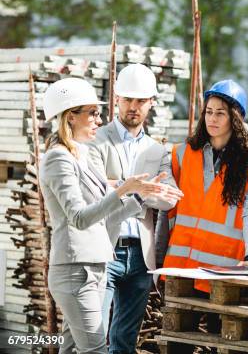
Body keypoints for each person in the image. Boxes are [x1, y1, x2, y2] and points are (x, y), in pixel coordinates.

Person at [39, 78, 180, 354]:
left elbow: (104, 211)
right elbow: (79, 217)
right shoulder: (58, 158)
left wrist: (138, 195)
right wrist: (122, 189)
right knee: (96, 350)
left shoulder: (78, 156)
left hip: (91, 268)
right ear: (71, 117)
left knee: (70, 350)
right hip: (75, 270)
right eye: (92, 112)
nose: (99, 119)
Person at [88, 64, 181, 354]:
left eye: (140, 100)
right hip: (105, 247)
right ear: (116, 99)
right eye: (128, 99)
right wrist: (136, 188)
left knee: (125, 340)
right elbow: (90, 190)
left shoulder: (157, 150)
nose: (133, 106)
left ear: (151, 102)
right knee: (94, 335)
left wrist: (127, 188)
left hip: (141, 256)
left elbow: (169, 199)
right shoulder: (96, 140)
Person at [163, 79, 248, 293]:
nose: (212, 118)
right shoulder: (181, 154)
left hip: (223, 270)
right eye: (208, 112)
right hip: (180, 268)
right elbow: (166, 210)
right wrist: (157, 258)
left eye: (220, 113)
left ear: (235, 118)